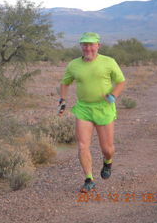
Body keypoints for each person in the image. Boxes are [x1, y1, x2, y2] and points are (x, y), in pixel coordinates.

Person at [58, 32, 126, 193]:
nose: (88, 48)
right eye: (84, 44)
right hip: (83, 109)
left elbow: (121, 81)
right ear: (81, 46)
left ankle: (108, 161)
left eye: (91, 44)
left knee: (107, 148)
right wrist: (62, 100)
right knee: (82, 145)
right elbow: (65, 83)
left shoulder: (109, 62)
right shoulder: (74, 64)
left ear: (98, 46)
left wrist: (114, 95)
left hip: (104, 108)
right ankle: (89, 179)